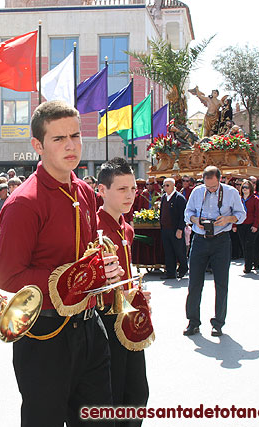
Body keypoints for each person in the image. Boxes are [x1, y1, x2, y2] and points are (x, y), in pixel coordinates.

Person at [0, 100, 122, 427]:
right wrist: (75, 279)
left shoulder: (85, 192)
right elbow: (8, 281)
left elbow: (87, 255)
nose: (71, 145)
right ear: (37, 145)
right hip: (43, 333)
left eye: (76, 136)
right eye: (58, 139)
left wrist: (103, 268)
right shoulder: (23, 203)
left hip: (91, 326)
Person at [96, 157, 150, 427]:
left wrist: (137, 293)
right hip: (106, 321)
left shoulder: (126, 229)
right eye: (122, 189)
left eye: (133, 189)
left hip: (129, 318)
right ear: (102, 191)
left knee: (138, 394)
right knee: (113, 397)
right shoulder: (93, 229)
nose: (130, 195)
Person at [183, 166, 246, 337]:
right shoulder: (197, 192)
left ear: (220, 180)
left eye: (214, 187)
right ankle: (193, 322)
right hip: (200, 239)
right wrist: (195, 219)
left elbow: (242, 215)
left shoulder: (231, 192)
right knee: (194, 283)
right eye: (208, 186)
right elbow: (187, 213)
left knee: (221, 283)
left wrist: (228, 218)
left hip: (221, 240)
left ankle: (218, 323)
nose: (210, 190)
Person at [159, 177, 188, 279]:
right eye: (164, 186)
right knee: (168, 251)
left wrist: (180, 229)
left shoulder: (179, 198)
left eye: (167, 185)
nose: (165, 188)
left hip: (176, 229)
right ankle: (170, 272)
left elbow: (183, 215)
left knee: (179, 250)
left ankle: (183, 268)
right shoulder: (163, 197)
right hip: (165, 229)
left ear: (173, 186)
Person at [236, 180, 259, 274]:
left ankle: (249, 266)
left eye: (246, 187)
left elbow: (258, 214)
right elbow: (234, 211)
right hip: (241, 225)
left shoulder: (255, 199)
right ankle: (250, 262)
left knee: (249, 245)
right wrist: (234, 224)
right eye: (243, 187)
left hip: (251, 225)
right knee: (244, 245)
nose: (244, 189)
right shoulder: (239, 199)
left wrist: (255, 225)